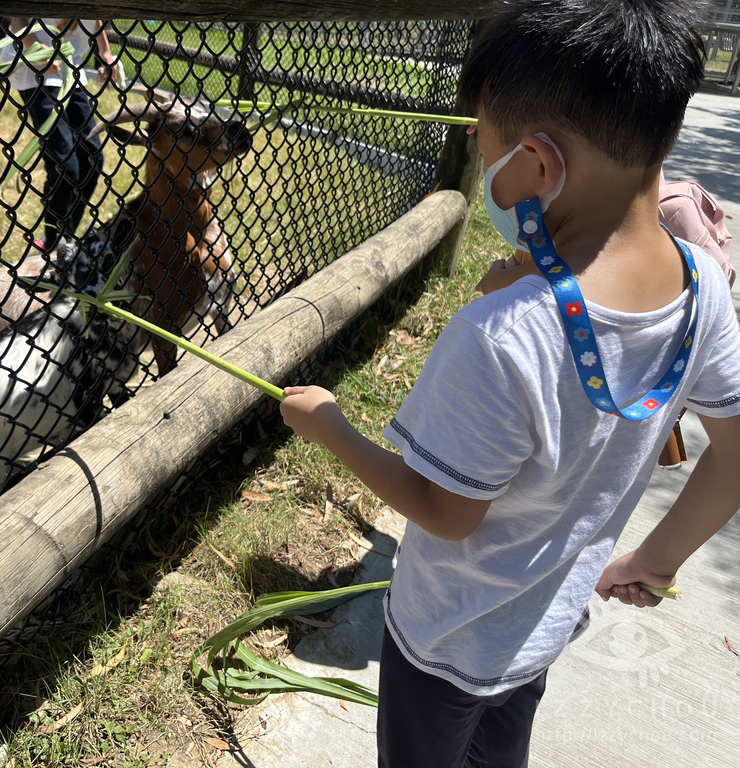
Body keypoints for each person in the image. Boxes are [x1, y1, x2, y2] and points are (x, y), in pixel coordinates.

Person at [279, 1, 740, 766]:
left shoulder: (497, 340)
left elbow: (445, 513)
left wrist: (331, 426)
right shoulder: (703, 286)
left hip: (445, 639)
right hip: (543, 624)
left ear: (538, 164)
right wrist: (655, 561)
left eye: (489, 153)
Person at [1, 18, 118, 250]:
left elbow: (94, 16)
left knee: (93, 158)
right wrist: (38, 50)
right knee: (65, 165)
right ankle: (53, 240)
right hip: (34, 71)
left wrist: (105, 51)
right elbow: (18, 20)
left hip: (70, 71)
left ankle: (65, 239)